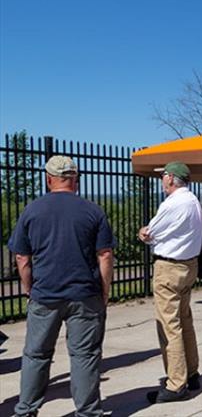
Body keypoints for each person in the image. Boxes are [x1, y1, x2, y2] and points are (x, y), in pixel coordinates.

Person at [9, 155, 116, 417]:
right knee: (85, 356)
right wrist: (104, 289)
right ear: (75, 180)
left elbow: (22, 257)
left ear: (48, 179)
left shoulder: (32, 210)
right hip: (85, 294)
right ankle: (88, 412)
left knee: (36, 355)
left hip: (45, 294)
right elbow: (104, 254)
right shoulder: (93, 211)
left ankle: (25, 411)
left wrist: (29, 287)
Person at [138, 161, 202, 404]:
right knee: (184, 320)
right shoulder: (193, 201)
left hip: (169, 266)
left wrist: (142, 233)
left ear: (171, 178)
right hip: (189, 265)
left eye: (163, 176)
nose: (161, 180)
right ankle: (192, 372)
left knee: (169, 325)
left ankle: (176, 384)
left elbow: (149, 233)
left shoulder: (173, 203)